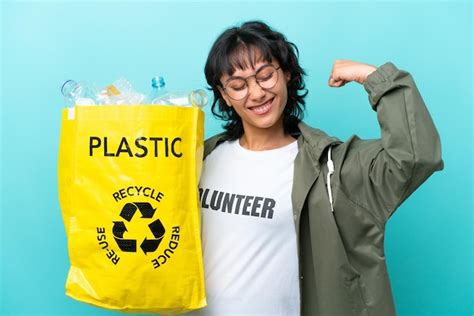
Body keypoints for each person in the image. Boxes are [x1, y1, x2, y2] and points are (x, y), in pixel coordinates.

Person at [194, 21, 443, 315]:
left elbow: (415, 156)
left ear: (286, 73)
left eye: (265, 76)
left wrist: (375, 78)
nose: (256, 93)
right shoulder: (202, 158)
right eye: (238, 85)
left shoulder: (330, 168)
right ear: (224, 95)